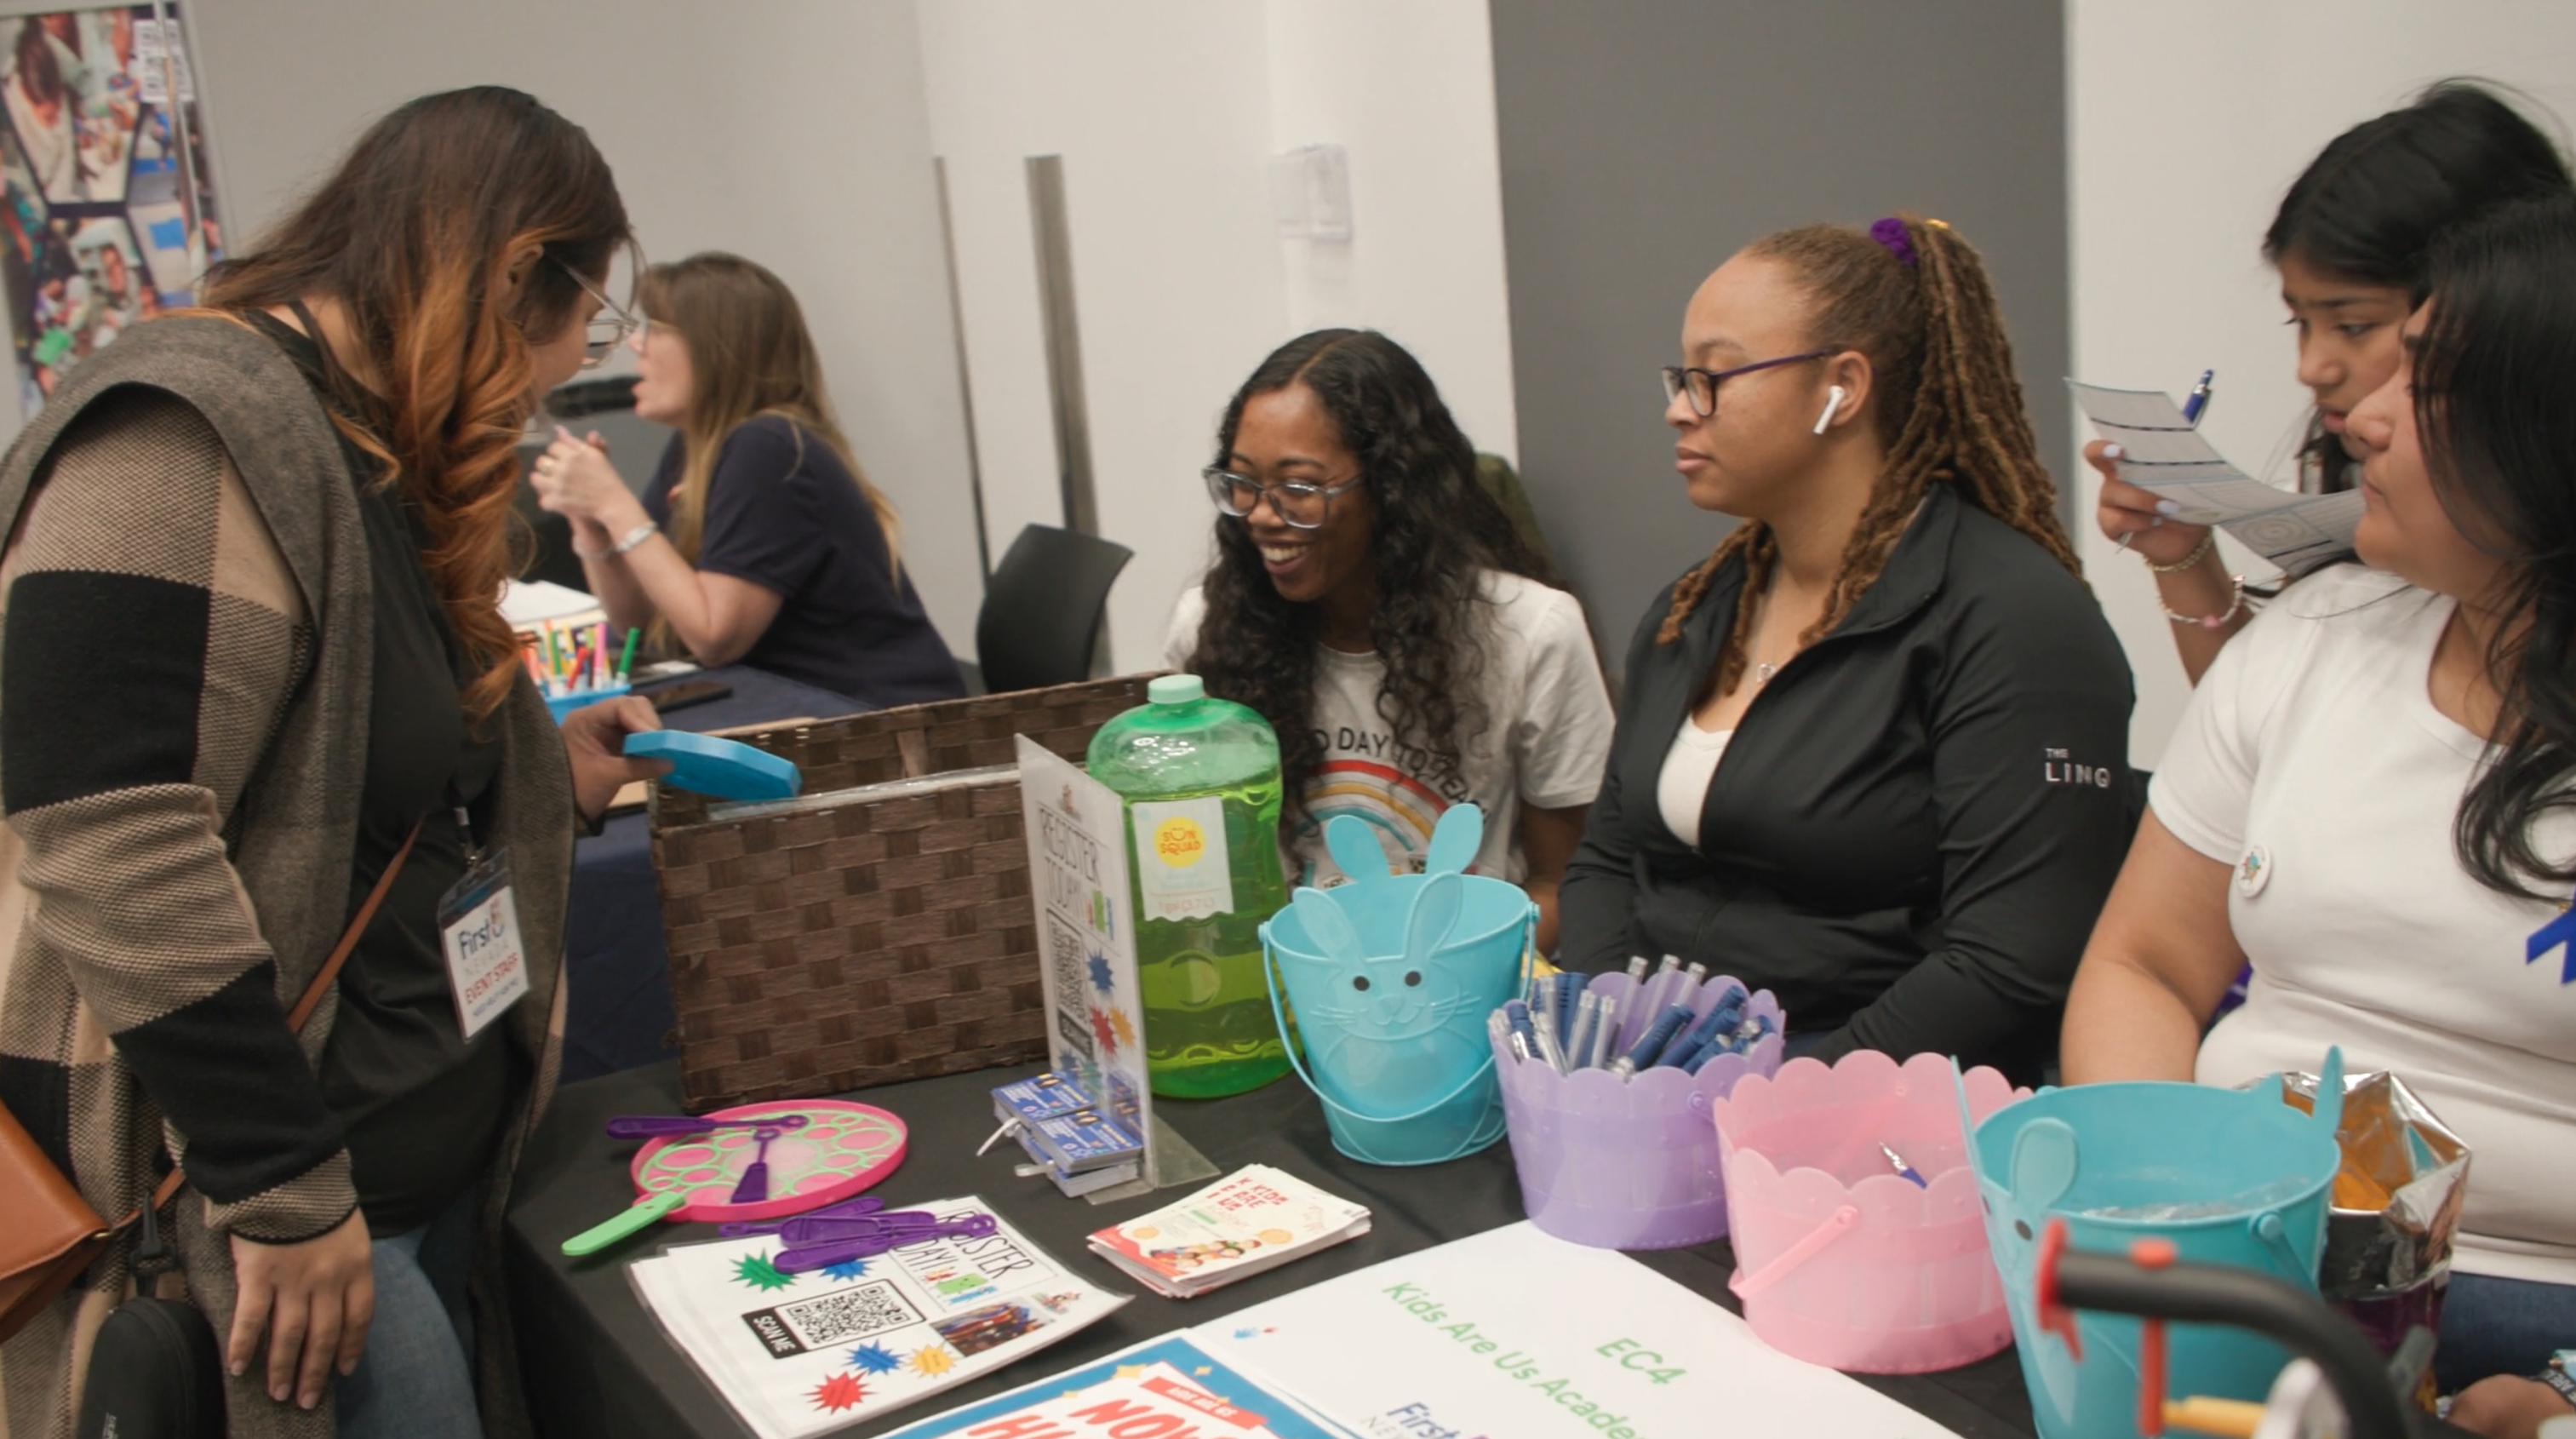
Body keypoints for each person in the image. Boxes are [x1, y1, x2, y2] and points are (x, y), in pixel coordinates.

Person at [0, 87, 667, 1439]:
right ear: (503, 274)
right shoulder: (180, 432)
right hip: (287, 1215)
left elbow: (371, 758)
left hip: (417, 1168)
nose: (561, 372)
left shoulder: (367, 442)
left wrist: (549, 777)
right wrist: (282, 1180)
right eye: (578, 321)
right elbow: (105, 832)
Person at [2061, 197, 2576, 1400]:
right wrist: (2168, 1202)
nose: (2362, 417)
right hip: (2238, 1254)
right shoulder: (2312, 638)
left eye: (2427, 385)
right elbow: (2140, 962)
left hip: (2525, 1307)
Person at [1557, 217, 2134, 1083]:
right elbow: (1607, 858)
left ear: (1842, 386)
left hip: (1881, 1110)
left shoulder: (2010, 618)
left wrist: (1780, 1097)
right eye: (1680, 377)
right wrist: (1608, 1040)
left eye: (1712, 376)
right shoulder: (1698, 606)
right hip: (1657, 1084)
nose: (1678, 407)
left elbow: (2006, 960)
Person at [2094, 82, 2572, 684]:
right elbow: (2263, 729)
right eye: (2300, 322)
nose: (2312, 368)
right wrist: (2182, 557)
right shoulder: (2344, 505)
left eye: (2354, 325)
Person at [1164, 329, 1611, 954]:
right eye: (1242, 482)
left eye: (1299, 488)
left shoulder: (1533, 633)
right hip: (1282, 990)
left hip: (1462, 995)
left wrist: (1428, 982)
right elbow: (1197, 879)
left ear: (1392, 489)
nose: (1263, 515)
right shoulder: (1207, 629)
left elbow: (1563, 884)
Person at [529, 251, 965, 709]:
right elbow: (637, 626)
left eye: (656, 328)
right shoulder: (693, 448)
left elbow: (715, 637)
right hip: (784, 706)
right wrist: (592, 520)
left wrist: (616, 504)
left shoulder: (769, 446)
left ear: (715, 348)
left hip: (871, 722)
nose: (636, 344)